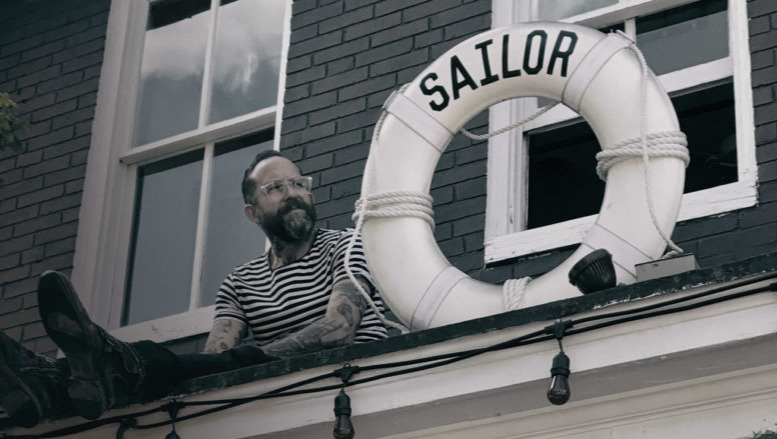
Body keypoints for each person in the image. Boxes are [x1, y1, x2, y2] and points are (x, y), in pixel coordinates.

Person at [0, 150, 388, 428]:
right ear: (252, 212)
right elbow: (214, 360)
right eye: (275, 187)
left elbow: (339, 327)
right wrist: (242, 360)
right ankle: (48, 383)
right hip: (280, 395)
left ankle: (78, 371)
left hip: (354, 381)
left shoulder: (347, 244)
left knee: (151, 361)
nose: (292, 192)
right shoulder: (240, 282)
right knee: (171, 366)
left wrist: (256, 356)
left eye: (298, 183)